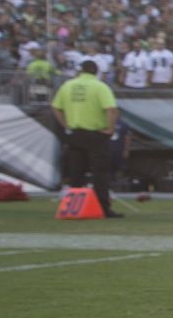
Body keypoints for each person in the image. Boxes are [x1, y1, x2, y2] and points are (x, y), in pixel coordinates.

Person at [50, 59, 121, 217]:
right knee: (100, 172)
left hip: (75, 133)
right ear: (96, 71)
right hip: (96, 134)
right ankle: (103, 208)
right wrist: (109, 128)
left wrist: (66, 124)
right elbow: (111, 109)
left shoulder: (67, 85)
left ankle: (72, 207)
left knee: (76, 172)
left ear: (80, 71)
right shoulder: (100, 87)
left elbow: (55, 107)